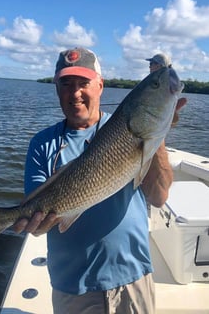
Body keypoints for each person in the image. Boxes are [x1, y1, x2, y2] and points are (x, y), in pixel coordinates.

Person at [13, 47, 182, 314]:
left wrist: (157, 135)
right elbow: (36, 225)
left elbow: (159, 197)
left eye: (84, 83)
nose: (75, 92)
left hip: (133, 277)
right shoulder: (42, 143)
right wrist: (33, 222)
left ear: (100, 86)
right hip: (73, 286)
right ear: (56, 88)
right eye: (66, 83)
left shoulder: (128, 130)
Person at [146, 53, 187, 126]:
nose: (150, 66)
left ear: (159, 65)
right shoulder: (148, 85)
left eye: (151, 63)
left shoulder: (157, 87)